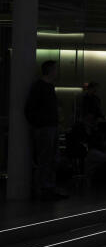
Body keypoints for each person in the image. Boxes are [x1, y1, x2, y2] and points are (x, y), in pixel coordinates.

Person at [25, 60, 66, 200]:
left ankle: (47, 187)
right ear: (50, 70)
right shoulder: (41, 87)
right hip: (46, 128)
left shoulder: (46, 86)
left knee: (50, 158)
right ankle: (44, 188)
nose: (57, 72)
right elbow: (30, 109)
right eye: (55, 69)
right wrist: (42, 123)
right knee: (46, 159)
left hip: (49, 127)